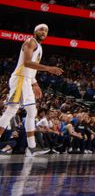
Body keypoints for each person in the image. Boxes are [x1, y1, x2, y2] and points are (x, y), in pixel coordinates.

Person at [0, 24, 63, 156]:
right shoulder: (30, 42)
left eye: (46, 30)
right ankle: (32, 147)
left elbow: (31, 69)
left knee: (29, 111)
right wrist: (48, 68)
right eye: (41, 29)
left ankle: (32, 148)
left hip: (26, 80)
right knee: (13, 111)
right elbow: (27, 63)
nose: (43, 32)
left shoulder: (39, 47)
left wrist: (34, 83)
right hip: (20, 79)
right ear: (35, 31)